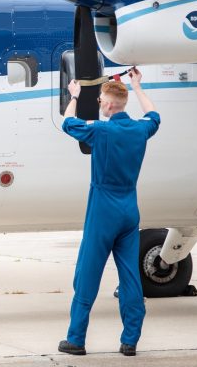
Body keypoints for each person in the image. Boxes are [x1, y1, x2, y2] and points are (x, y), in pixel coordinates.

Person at [58, 67, 159, 357]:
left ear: (111, 104)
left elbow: (67, 123)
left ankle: (76, 339)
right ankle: (130, 341)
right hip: (129, 208)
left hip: (103, 209)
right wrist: (137, 86)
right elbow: (155, 116)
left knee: (87, 276)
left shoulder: (100, 130)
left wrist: (75, 96)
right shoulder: (140, 129)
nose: (99, 102)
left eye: (101, 99)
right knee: (130, 278)